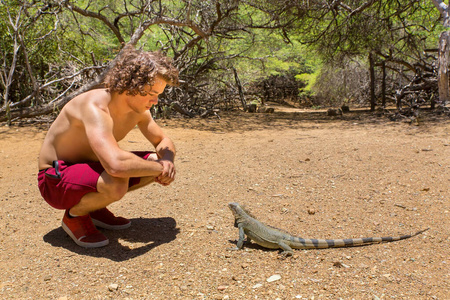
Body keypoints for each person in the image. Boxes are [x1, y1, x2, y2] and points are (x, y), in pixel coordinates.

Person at [37, 46, 179, 248]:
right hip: (55, 180)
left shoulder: (138, 109)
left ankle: (95, 207)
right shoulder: (95, 106)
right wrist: (162, 169)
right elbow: (115, 165)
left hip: (89, 170)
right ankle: (75, 215)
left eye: (158, 94)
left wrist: (167, 161)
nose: (155, 101)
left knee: (153, 160)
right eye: (151, 93)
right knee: (117, 181)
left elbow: (162, 140)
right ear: (132, 85)